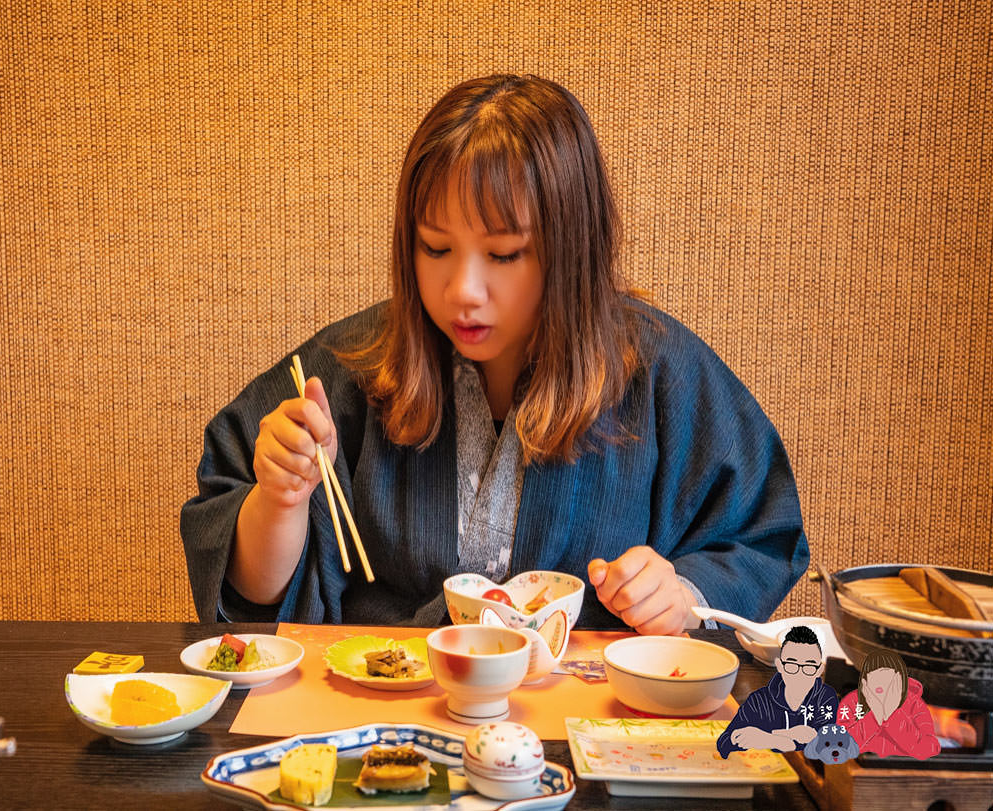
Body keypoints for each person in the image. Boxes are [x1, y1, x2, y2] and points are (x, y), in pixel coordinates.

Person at [181, 74, 809, 631]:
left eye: (504, 254)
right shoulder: (355, 368)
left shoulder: (655, 370)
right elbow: (254, 595)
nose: (463, 292)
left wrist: (681, 594)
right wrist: (278, 499)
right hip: (387, 712)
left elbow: (758, 535)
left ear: (571, 249)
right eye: (434, 247)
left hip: (583, 723)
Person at [717, 626, 839, 757]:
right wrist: (783, 737)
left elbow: (829, 747)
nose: (799, 674)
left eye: (809, 667)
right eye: (791, 665)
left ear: (819, 670)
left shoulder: (825, 699)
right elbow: (723, 743)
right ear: (780, 666)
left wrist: (773, 738)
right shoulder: (760, 700)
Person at [836, 650, 940, 759]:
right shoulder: (853, 702)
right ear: (865, 682)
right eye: (874, 675)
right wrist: (875, 716)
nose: (881, 681)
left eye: (887, 675)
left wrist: (892, 714)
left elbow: (927, 749)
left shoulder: (914, 705)